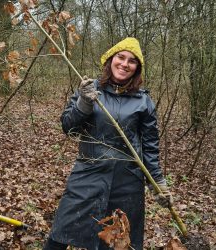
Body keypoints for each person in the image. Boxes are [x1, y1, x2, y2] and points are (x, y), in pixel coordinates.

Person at [43, 37, 173, 250]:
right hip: (88, 174)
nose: (124, 64)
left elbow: (149, 145)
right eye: (120, 57)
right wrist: (84, 103)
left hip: (127, 182)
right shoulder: (89, 89)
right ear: (110, 60)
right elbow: (68, 127)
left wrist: (157, 182)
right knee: (61, 233)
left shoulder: (143, 101)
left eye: (132, 61)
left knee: (116, 243)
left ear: (137, 69)